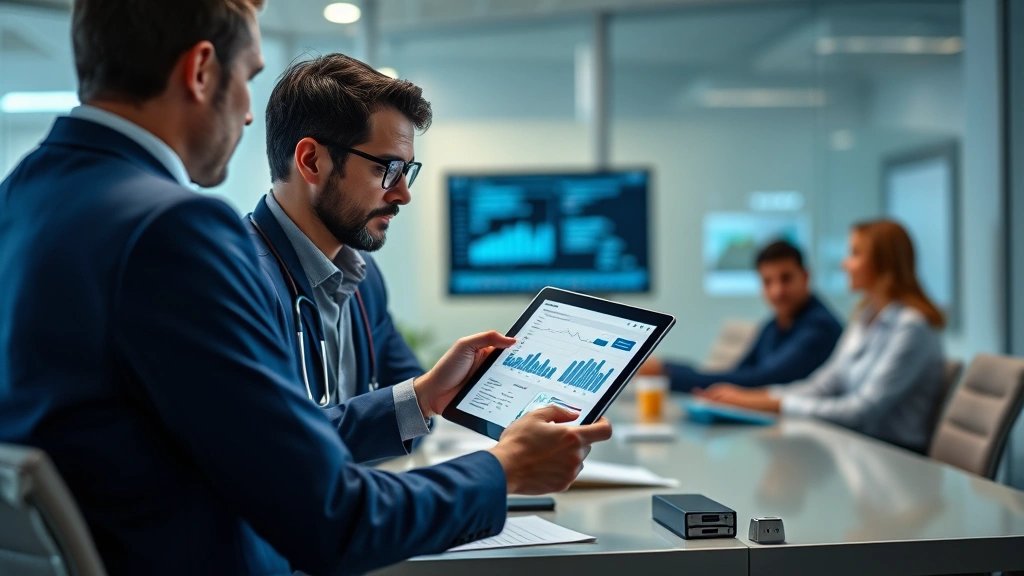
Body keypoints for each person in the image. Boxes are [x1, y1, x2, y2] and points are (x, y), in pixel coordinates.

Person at [0, 1, 612, 575]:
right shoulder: (172, 229)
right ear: (202, 70)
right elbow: (331, 517)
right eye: (247, 76)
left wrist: (421, 400)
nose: (246, 112)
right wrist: (503, 471)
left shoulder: (23, 195)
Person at [245, 55, 426, 429]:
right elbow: (279, 445)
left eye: (406, 171)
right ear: (311, 161)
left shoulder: (363, 277)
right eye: (387, 169)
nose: (404, 195)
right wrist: (416, 403)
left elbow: (418, 405)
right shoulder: (241, 278)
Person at [696, 220, 945, 453]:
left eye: (855, 254)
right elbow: (824, 384)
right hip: (858, 449)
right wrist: (762, 399)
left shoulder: (912, 328)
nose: (844, 264)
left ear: (883, 262)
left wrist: (773, 404)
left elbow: (861, 410)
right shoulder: (865, 318)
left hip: (893, 458)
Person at [640, 240, 842, 390]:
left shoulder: (819, 327)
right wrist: (669, 368)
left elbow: (760, 380)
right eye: (767, 282)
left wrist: (669, 372)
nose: (777, 291)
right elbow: (736, 374)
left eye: (786, 279)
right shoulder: (772, 326)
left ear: (805, 277)